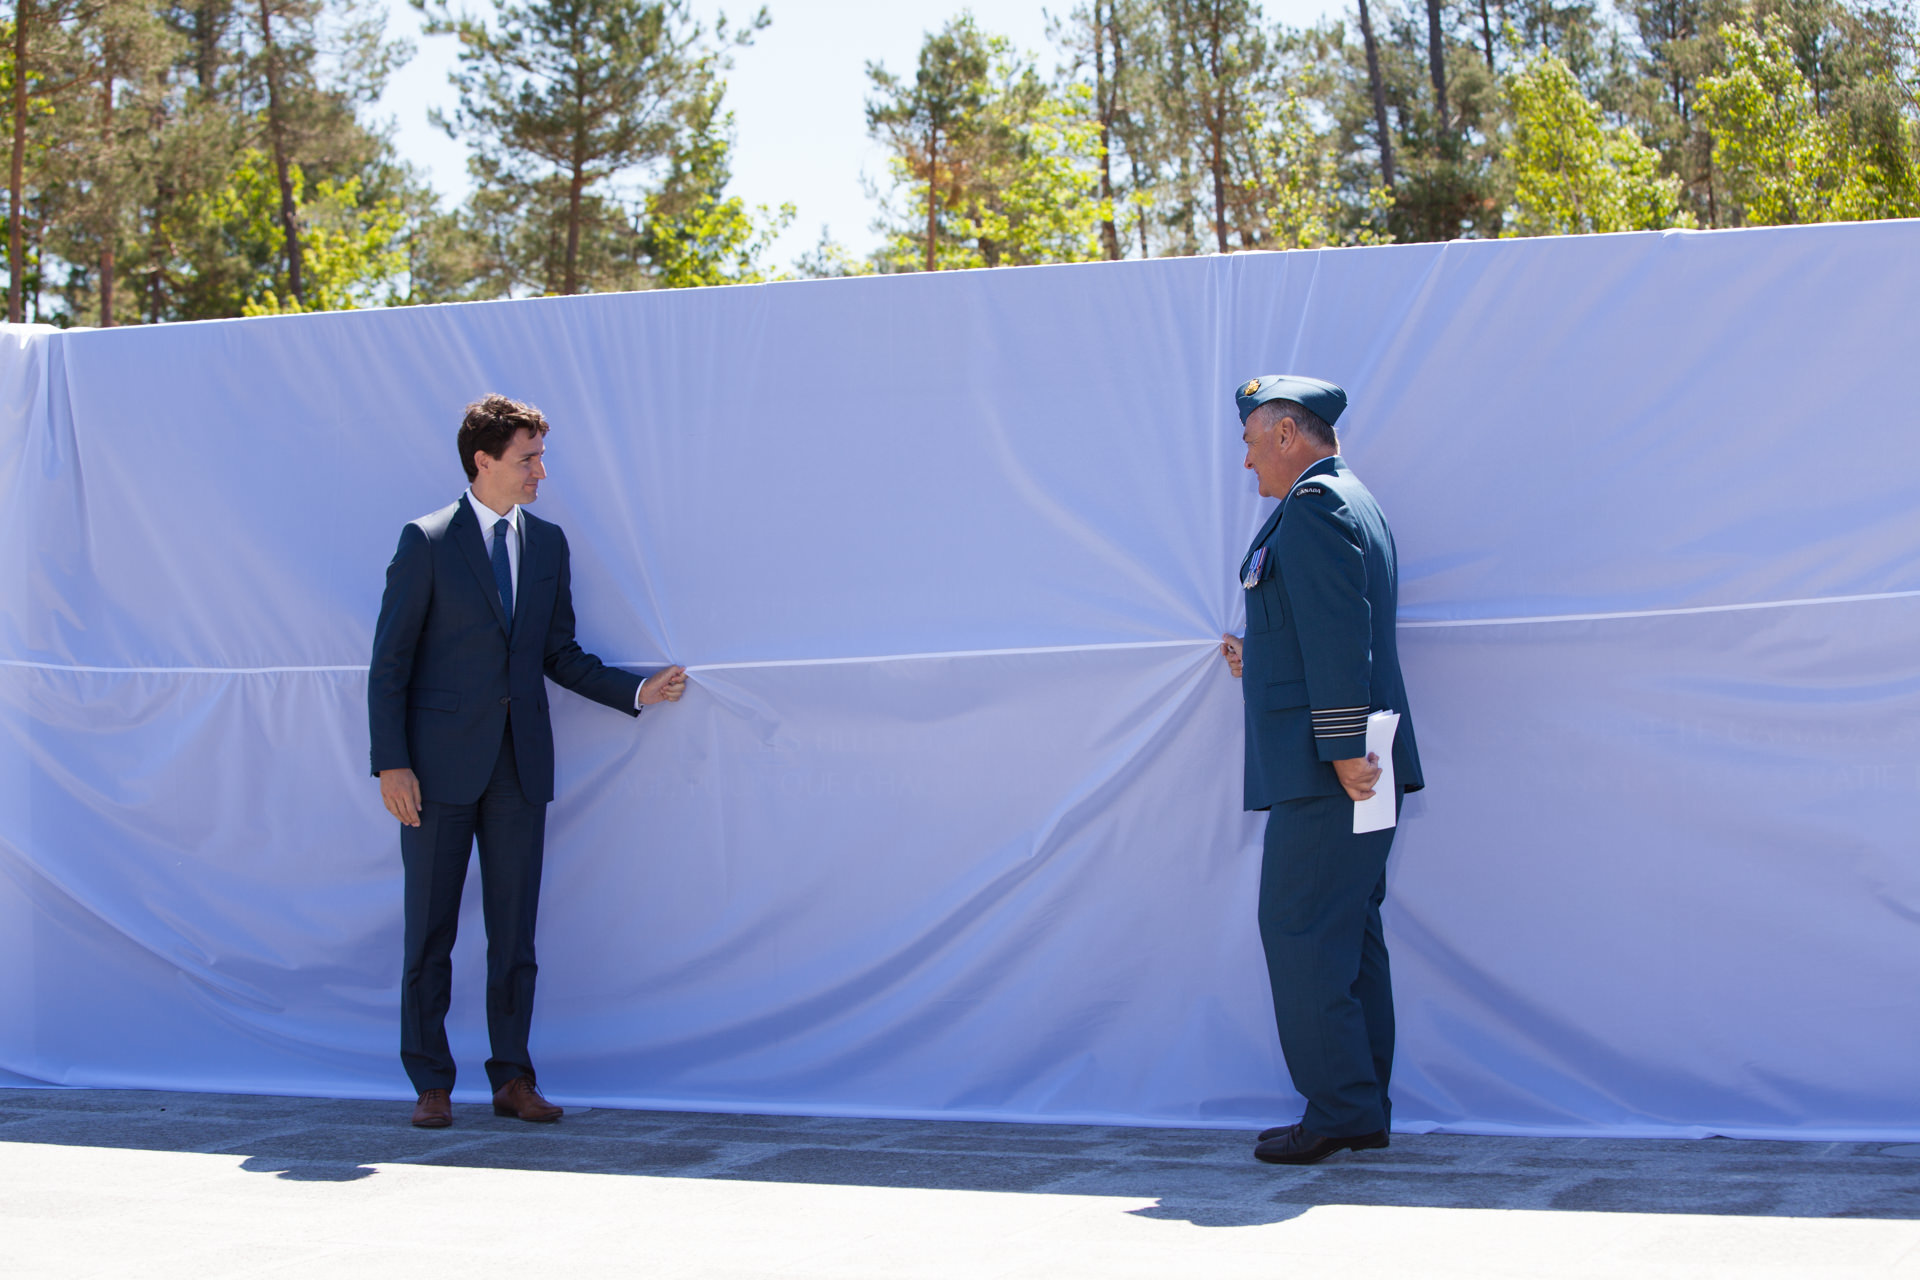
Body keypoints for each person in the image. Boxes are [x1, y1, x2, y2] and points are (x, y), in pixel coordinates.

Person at [368, 393, 687, 1129]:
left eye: (540, 456)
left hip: (519, 769)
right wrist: (393, 764)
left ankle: (513, 1077)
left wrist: (636, 690)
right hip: (435, 770)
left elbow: (557, 654)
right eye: (529, 458)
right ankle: (432, 1084)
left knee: (515, 936)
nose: (541, 471)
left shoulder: (547, 545)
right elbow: (390, 665)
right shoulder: (426, 540)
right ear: (484, 461)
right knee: (431, 934)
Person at [1218, 374, 1424, 1166]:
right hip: (1350, 765)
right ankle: (1359, 1108)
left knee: (1303, 934)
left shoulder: (1315, 508)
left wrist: (1342, 752)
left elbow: (1345, 641)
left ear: (1284, 434)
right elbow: (1321, 624)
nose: (1247, 463)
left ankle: (1339, 1110)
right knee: (1346, 937)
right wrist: (1258, 653)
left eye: (1249, 442)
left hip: (1331, 771)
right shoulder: (1350, 501)